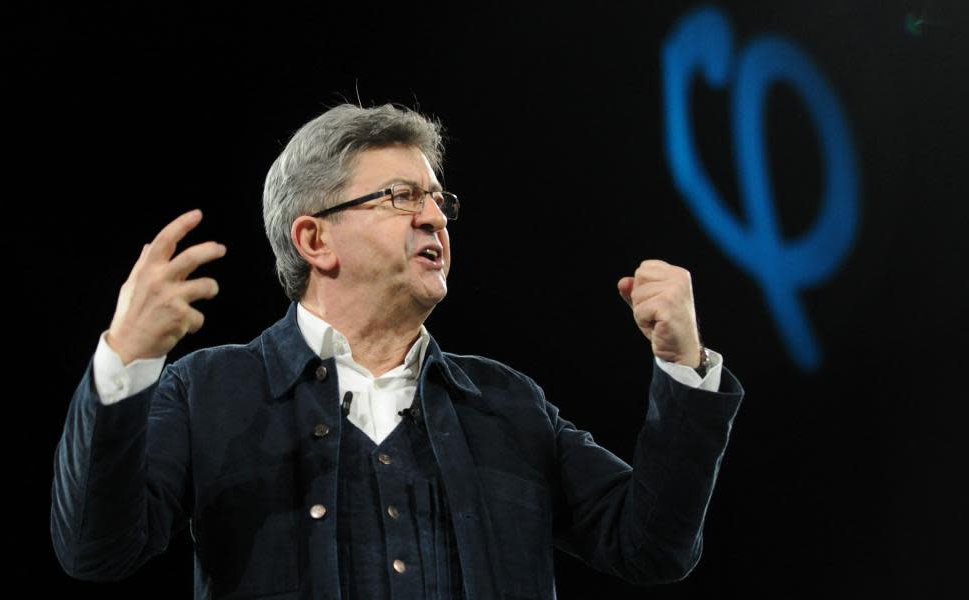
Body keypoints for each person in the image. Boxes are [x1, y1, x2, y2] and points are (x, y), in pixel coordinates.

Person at [51, 103, 744, 599]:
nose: (434, 215)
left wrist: (683, 364)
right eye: (400, 195)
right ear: (316, 241)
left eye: (439, 198)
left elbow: (650, 548)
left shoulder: (508, 404)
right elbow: (96, 552)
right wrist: (126, 360)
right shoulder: (208, 391)